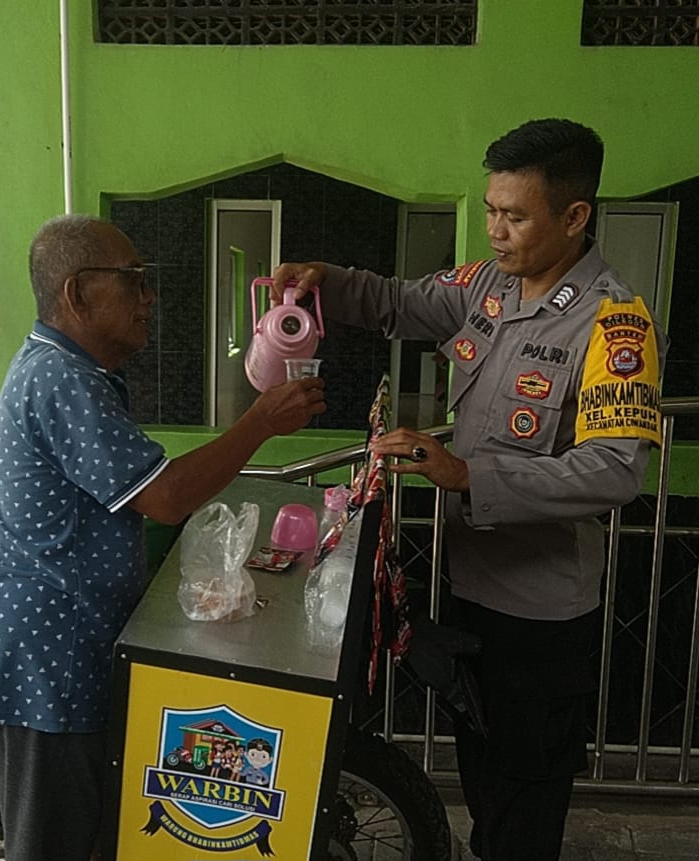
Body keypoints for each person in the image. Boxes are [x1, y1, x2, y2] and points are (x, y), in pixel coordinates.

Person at [272, 118, 666, 861]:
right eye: (490, 210)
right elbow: (401, 302)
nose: (494, 230)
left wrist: (466, 474)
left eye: (514, 216)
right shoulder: (490, 285)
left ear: (574, 216)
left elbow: (615, 470)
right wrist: (325, 279)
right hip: (469, 584)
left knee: (524, 796)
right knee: (482, 774)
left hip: (540, 616)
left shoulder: (615, 324)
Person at [0, 214, 326, 861]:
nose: (149, 297)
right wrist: (260, 422)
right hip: (45, 676)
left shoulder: (77, 372)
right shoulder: (61, 379)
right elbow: (166, 496)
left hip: (65, 663)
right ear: (78, 293)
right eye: (133, 280)